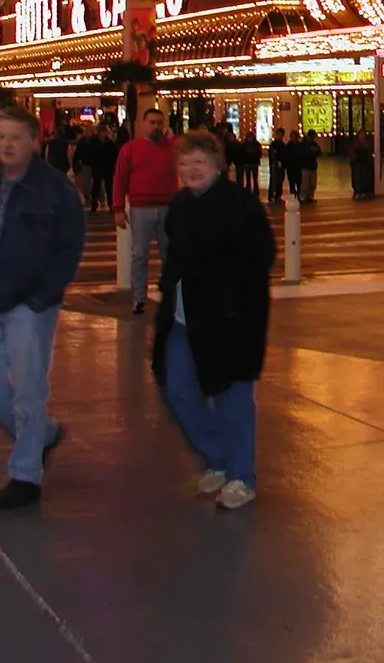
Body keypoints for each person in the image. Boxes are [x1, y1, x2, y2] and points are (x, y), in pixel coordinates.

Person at [0, 106, 85, 510]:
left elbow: (69, 247)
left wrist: (42, 297)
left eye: (16, 137)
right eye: (1, 135)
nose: (7, 144)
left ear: (36, 142)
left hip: (29, 303)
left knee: (29, 390)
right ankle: (42, 436)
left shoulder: (55, 189)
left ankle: (25, 473)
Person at [152, 130, 276, 511]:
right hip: (184, 316)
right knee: (177, 389)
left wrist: (230, 296)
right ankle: (218, 456)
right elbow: (172, 256)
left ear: (218, 165)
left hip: (230, 319)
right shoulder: (179, 205)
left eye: (200, 162)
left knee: (232, 397)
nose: (192, 170)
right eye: (185, 163)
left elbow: (262, 255)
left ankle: (241, 475)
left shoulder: (240, 204)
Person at [113, 109, 178, 316]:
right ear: (143, 124)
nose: (156, 126)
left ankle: (169, 294)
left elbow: (186, 155)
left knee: (169, 254)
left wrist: (173, 138)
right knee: (139, 255)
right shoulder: (130, 149)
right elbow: (120, 179)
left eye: (159, 122)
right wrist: (118, 208)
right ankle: (139, 298)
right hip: (141, 208)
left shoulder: (171, 148)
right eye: (152, 122)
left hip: (168, 207)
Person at [298, 129, 322, 202]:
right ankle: (303, 197)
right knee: (305, 183)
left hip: (312, 166)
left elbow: (319, 152)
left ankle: (310, 196)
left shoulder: (314, 144)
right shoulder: (303, 144)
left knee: (312, 183)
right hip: (305, 166)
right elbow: (302, 154)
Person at [349, 132, 374, 199]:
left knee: (365, 176)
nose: (362, 137)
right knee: (357, 177)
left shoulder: (367, 144)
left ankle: (364, 191)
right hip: (357, 163)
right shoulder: (355, 144)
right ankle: (358, 191)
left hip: (365, 164)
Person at [266, 128, 288, 203]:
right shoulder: (273, 145)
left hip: (281, 165)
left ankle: (277, 195)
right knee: (274, 180)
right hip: (275, 165)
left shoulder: (282, 145)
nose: (280, 136)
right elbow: (272, 155)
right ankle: (272, 195)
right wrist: (274, 163)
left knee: (279, 180)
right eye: (279, 134)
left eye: (281, 135)